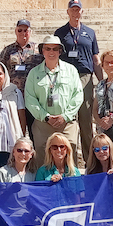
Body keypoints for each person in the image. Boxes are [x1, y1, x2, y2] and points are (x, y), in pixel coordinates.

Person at [24, 36, 84, 166]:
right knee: (42, 160)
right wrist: (46, 117)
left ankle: (70, 185)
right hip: (43, 125)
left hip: (67, 124)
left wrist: (65, 116)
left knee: (70, 159)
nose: (51, 52)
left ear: (60, 51)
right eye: (48, 48)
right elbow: (30, 99)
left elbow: (78, 95)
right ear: (42, 51)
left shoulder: (71, 71)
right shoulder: (34, 73)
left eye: (55, 49)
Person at [54, 0, 101, 158]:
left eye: (78, 9)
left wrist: (102, 82)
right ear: (68, 12)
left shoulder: (90, 32)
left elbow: (95, 58)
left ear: (82, 12)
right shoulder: (60, 33)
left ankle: (90, 161)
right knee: (69, 120)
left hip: (85, 78)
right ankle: (70, 161)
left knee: (86, 121)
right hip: (67, 78)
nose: (75, 12)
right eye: (72, 9)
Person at [0, 19, 44, 96]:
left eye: (26, 30)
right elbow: (0, 68)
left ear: (30, 32)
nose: (23, 33)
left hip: (33, 92)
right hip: (13, 91)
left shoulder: (38, 49)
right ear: (16, 32)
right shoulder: (8, 50)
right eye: (20, 30)